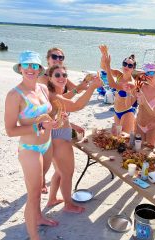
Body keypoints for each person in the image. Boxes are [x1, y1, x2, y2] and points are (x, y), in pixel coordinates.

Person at [4, 50, 59, 240]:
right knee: (34, 194)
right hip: (30, 149)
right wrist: (40, 125)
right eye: (26, 65)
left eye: (34, 65)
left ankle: (38, 217)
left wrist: (55, 122)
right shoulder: (14, 95)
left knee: (41, 184)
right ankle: (34, 236)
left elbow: (47, 115)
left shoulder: (43, 89)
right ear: (20, 68)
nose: (30, 69)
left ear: (39, 69)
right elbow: (10, 131)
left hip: (47, 144)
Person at [45, 65, 102, 213]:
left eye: (64, 75)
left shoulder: (55, 94)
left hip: (59, 135)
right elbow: (76, 105)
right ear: (49, 78)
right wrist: (92, 88)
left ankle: (52, 199)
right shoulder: (53, 95)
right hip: (59, 139)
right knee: (67, 173)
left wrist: (80, 88)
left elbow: (64, 102)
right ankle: (68, 205)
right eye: (57, 75)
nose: (62, 77)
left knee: (59, 171)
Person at [38, 47, 89, 194]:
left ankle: (51, 195)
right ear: (47, 58)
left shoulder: (59, 74)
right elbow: (61, 102)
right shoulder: (44, 78)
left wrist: (86, 83)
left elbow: (75, 90)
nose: (58, 59)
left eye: (61, 57)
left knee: (59, 169)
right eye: (55, 56)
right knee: (60, 168)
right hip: (50, 128)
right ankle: (42, 183)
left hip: (59, 123)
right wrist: (86, 88)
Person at [100, 45, 137, 133]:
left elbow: (112, 85)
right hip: (117, 112)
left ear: (133, 68)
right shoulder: (119, 74)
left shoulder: (131, 83)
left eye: (130, 65)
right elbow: (103, 67)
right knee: (117, 138)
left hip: (127, 112)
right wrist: (104, 54)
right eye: (125, 64)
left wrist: (108, 66)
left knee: (124, 140)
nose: (126, 67)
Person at [135, 63, 155, 147]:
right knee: (137, 153)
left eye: (151, 73)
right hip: (138, 125)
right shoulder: (140, 87)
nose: (148, 75)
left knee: (148, 154)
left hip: (152, 127)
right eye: (146, 73)